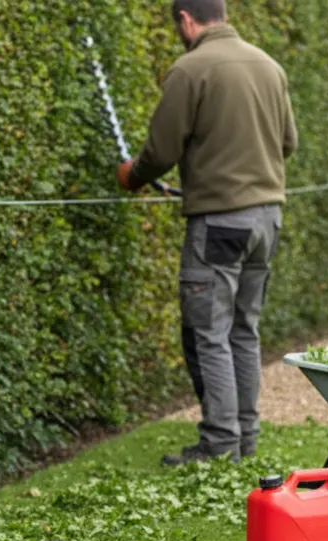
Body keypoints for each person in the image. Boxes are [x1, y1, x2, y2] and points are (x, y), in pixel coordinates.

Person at [118, 0, 299, 466]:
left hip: (220, 222)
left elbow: (161, 151)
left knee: (210, 333)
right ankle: (245, 440)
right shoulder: (269, 66)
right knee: (244, 330)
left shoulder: (190, 69)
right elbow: (288, 144)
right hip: (267, 220)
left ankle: (219, 445)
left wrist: (132, 176)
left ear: (185, 19)